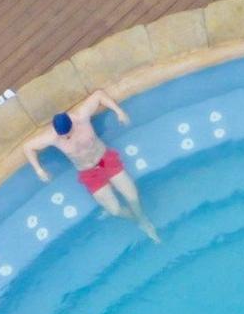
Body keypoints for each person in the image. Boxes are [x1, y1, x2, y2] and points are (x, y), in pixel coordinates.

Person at [23, 92, 158, 241]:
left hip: (105, 160)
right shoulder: (53, 137)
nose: (66, 138)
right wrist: (38, 169)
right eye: (63, 136)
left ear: (72, 124)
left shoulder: (81, 117)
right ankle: (137, 221)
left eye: (68, 134)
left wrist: (118, 111)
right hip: (89, 173)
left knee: (132, 196)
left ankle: (144, 221)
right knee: (114, 210)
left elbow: (99, 95)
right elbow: (28, 147)